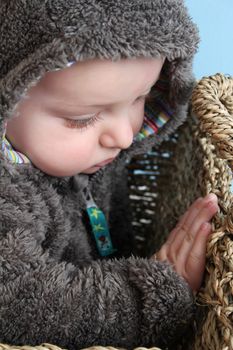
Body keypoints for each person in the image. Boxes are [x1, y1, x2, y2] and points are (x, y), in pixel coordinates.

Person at [0, 1, 218, 349]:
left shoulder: (91, 155)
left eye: (141, 98)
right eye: (84, 118)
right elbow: (18, 304)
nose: (124, 136)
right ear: (9, 99)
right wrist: (146, 298)